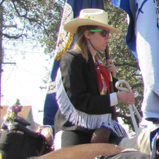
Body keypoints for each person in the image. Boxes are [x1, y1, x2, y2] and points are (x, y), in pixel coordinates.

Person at [54, 9, 135, 148]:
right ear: (87, 35)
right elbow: (79, 100)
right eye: (103, 33)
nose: (107, 38)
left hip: (101, 128)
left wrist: (113, 79)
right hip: (75, 128)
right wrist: (118, 97)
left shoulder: (98, 64)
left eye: (108, 33)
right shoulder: (72, 59)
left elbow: (103, 98)